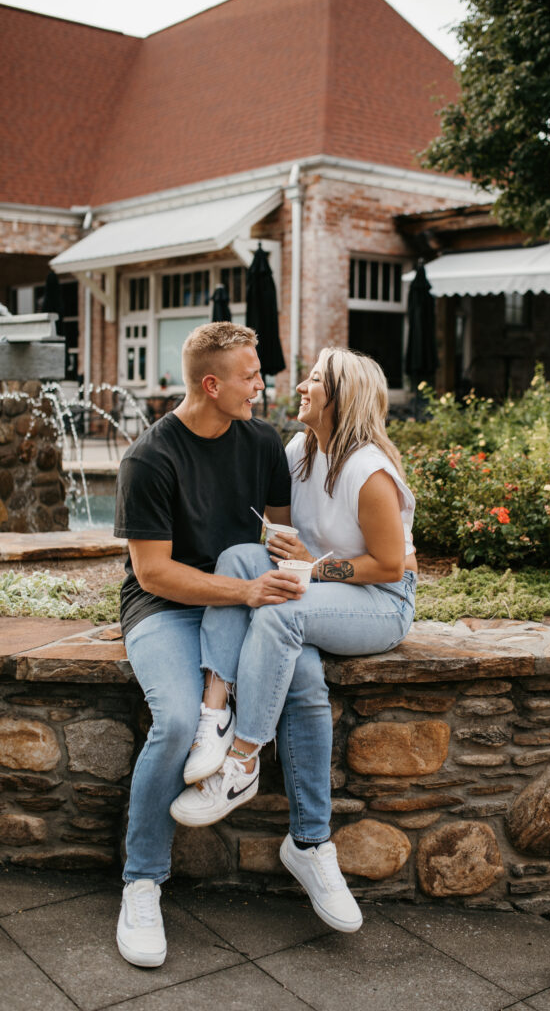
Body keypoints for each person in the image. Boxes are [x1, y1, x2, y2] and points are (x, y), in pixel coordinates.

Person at [170, 347, 418, 934]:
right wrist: (282, 558)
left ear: (340, 396)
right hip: (317, 597)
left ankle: (242, 758)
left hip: (379, 604)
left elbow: (391, 565)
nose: (299, 387)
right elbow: (276, 538)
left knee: (282, 615)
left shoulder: (368, 469)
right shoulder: (299, 452)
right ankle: (305, 839)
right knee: (241, 565)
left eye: (313, 380)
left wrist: (316, 567)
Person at [113, 321, 317, 968]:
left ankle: (312, 847)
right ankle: (141, 882)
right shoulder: (150, 457)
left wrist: (292, 560)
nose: (261, 388)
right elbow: (153, 573)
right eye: (250, 378)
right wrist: (247, 594)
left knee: (307, 683)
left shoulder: (261, 443)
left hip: (238, 603)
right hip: (166, 610)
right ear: (212, 384)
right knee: (173, 723)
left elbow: (274, 540)